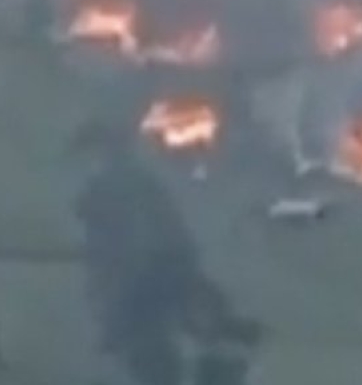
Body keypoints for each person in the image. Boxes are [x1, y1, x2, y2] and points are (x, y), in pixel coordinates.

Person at [76, 118, 260, 385]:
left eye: (89, 156)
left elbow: (123, 241)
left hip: (148, 273)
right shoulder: (137, 181)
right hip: (163, 269)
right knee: (152, 336)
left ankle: (214, 357)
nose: (86, 166)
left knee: (142, 340)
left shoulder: (114, 187)